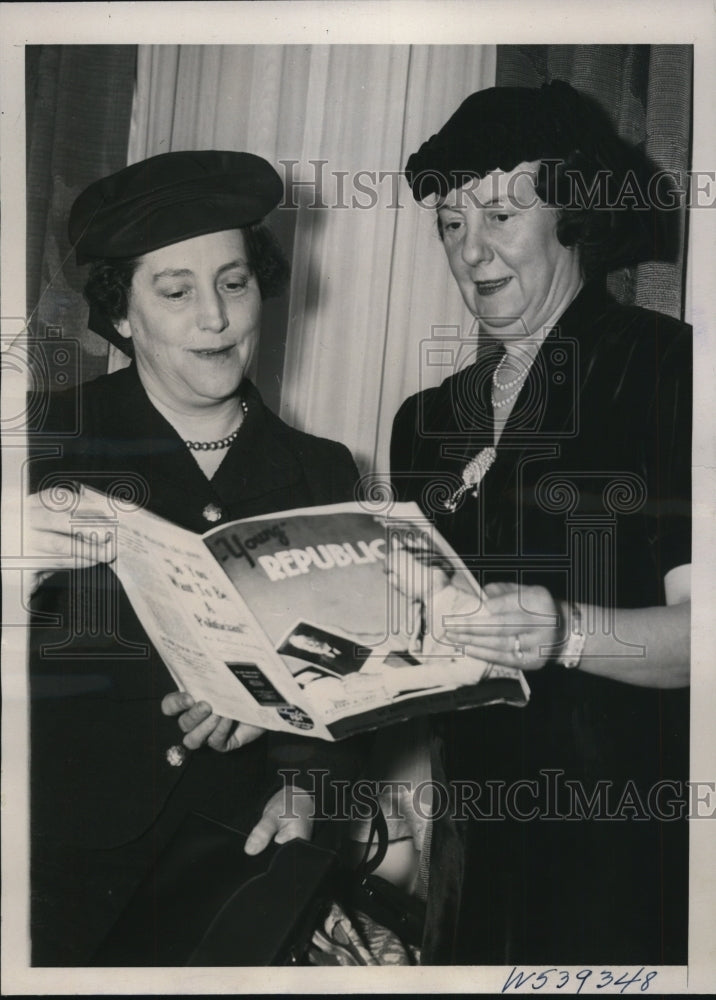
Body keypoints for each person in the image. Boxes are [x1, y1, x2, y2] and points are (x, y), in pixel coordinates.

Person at [26, 150, 363, 965]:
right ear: (122, 314)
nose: (214, 317)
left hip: (237, 851)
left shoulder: (321, 471)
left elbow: (351, 677)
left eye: (235, 282)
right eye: (175, 292)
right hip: (49, 856)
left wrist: (302, 780)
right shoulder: (39, 440)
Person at [392, 81, 691, 964]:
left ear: (574, 214)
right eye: (451, 223)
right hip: (467, 853)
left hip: (619, 844)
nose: (472, 249)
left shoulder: (664, 369)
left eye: (499, 214)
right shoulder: (426, 421)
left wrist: (565, 632)